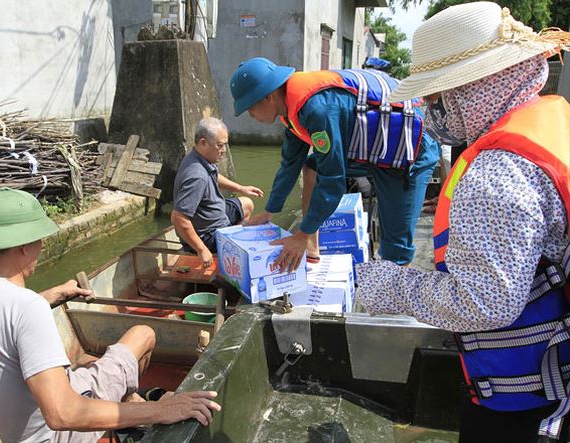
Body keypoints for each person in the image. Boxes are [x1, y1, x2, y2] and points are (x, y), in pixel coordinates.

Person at [354, 3, 570, 442]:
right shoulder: (550, 122)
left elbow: (483, 303)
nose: (433, 111)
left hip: (526, 402)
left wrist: (389, 286)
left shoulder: (496, 171)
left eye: (437, 97)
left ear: (473, 88)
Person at [0, 187, 221, 443]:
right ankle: (133, 409)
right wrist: (160, 410)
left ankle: (130, 402)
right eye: (39, 240)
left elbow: (4, 315)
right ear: (24, 246)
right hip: (52, 435)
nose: (41, 248)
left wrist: (52, 295)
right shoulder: (27, 308)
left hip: (3, 431)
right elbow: (62, 414)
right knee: (143, 334)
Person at [229, 57, 439, 272]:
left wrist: (301, 232)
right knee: (311, 166)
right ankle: (311, 247)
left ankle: (396, 300)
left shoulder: (318, 110)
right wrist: (270, 212)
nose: (251, 116)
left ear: (269, 97)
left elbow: (333, 182)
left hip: (409, 152)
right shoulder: (292, 111)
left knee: (395, 247)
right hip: (372, 149)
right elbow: (289, 164)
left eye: (250, 108)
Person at [172, 117, 263, 267]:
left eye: (225, 145)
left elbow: (213, 176)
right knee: (254, 238)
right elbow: (178, 218)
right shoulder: (196, 177)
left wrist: (241, 188)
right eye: (220, 146)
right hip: (208, 234)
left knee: (247, 204)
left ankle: (233, 238)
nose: (223, 151)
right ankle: (224, 250)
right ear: (203, 143)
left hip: (216, 213)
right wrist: (201, 249)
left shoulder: (198, 158)